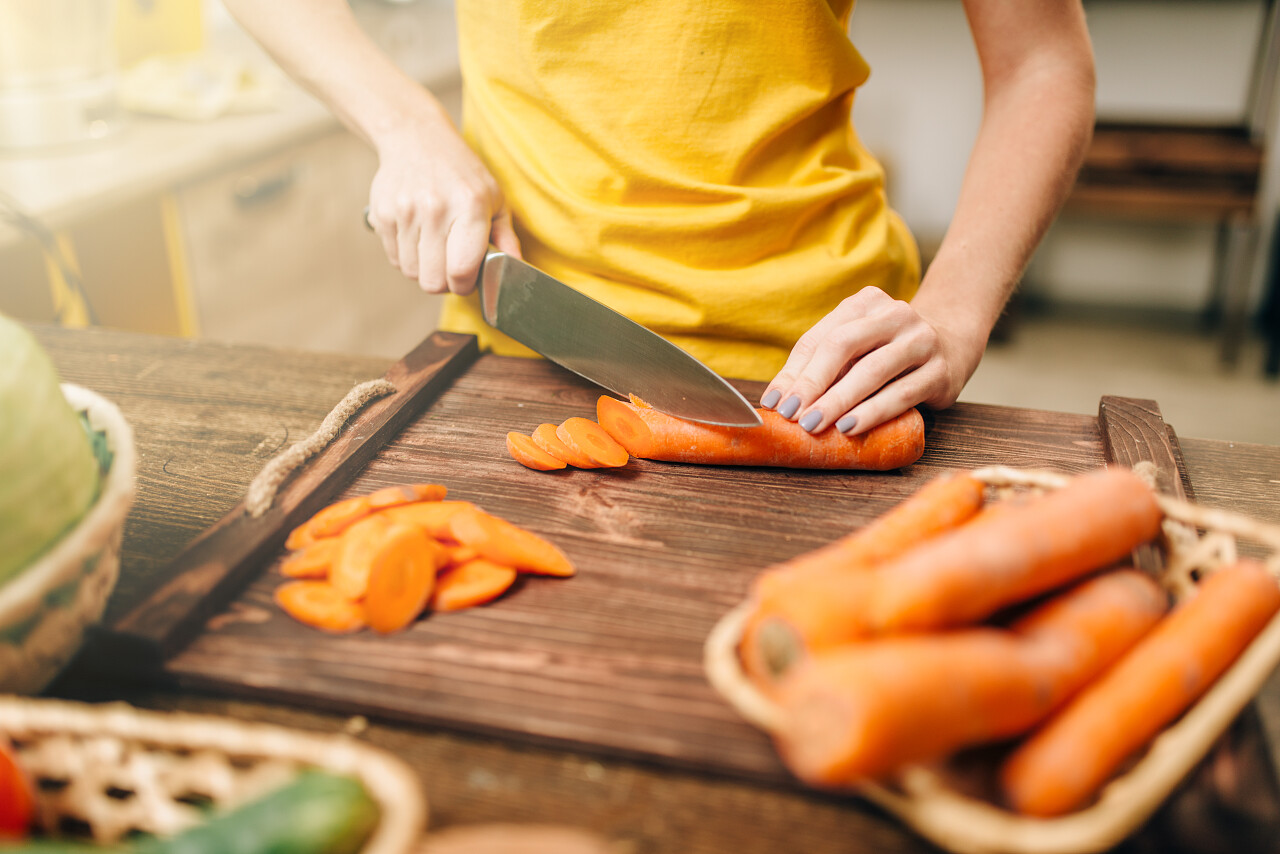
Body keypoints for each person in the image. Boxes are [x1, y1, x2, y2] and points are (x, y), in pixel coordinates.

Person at [220, 0, 1095, 437]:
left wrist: (953, 315)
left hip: (824, 375)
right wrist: (405, 127)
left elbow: (1043, 62)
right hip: (520, 349)